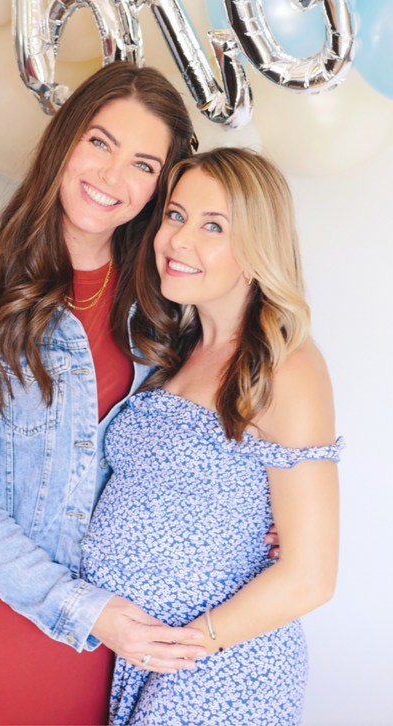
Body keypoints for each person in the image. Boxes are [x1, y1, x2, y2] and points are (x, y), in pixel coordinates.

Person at [0, 63, 210, 726]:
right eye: (100, 142)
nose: (112, 177)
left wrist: (251, 516)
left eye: (143, 164)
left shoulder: (162, 303)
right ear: (65, 139)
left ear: (160, 186)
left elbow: (179, 446)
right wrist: (85, 610)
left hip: (96, 612)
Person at [80, 148, 343, 725]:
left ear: (257, 248)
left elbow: (310, 576)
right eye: (175, 216)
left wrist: (183, 647)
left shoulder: (286, 368)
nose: (178, 240)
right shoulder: (174, 352)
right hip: (138, 656)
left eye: (213, 226)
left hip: (217, 665)